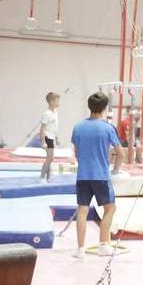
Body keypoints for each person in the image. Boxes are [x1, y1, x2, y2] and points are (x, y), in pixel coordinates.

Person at [70, 92, 123, 258]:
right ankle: (103, 246)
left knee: (82, 211)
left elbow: (77, 153)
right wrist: (115, 170)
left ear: (89, 106)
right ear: (105, 108)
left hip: (83, 175)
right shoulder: (108, 128)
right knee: (110, 208)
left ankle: (80, 250)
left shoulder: (78, 127)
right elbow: (120, 153)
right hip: (101, 175)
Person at [39, 92, 60, 182]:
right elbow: (42, 128)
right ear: (51, 102)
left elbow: (54, 126)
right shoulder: (47, 113)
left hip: (51, 137)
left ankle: (48, 177)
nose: (59, 103)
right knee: (50, 158)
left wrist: (56, 138)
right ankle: (42, 177)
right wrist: (43, 141)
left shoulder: (55, 112)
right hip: (47, 137)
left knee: (50, 158)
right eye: (57, 101)